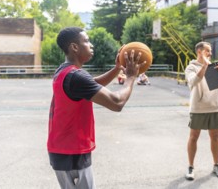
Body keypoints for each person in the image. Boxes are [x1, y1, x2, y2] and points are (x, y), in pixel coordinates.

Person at [47, 27, 145, 189]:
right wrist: (131, 77)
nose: (91, 45)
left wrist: (116, 70)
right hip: (72, 151)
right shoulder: (77, 76)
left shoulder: (64, 71)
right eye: (86, 41)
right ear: (74, 47)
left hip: (61, 148)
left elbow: (92, 86)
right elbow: (116, 102)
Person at [184, 41, 218, 181]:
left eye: (210, 51)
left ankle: (216, 165)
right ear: (199, 51)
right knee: (193, 137)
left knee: (215, 137)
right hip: (198, 107)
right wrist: (204, 66)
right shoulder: (190, 67)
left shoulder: (214, 66)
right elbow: (194, 82)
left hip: (215, 106)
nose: (210, 53)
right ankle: (190, 167)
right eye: (207, 51)